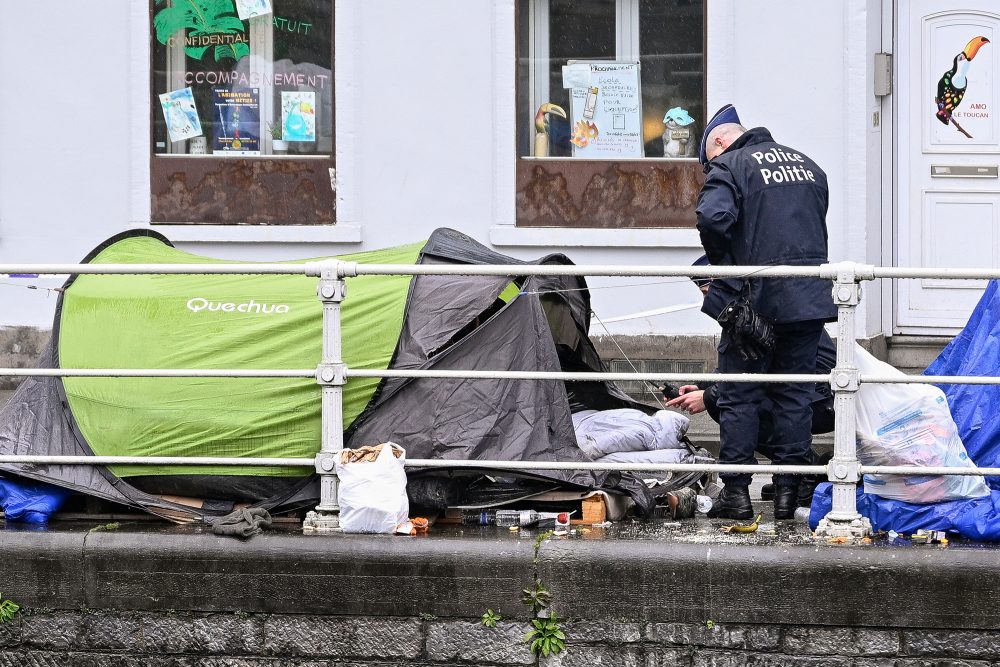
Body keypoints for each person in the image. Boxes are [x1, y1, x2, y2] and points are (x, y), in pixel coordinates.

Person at [692, 105, 837, 520]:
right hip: (808, 303)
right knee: (794, 395)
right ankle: (788, 496)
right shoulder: (809, 166)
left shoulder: (731, 165)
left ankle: (736, 494)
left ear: (718, 142)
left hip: (755, 303)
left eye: (709, 162)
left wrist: (725, 271)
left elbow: (713, 217)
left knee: (740, 394)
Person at [665, 257, 836, 507]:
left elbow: (755, 374)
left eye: (708, 291)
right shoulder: (758, 301)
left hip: (819, 398)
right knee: (727, 400)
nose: (708, 301)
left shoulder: (751, 309)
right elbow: (742, 364)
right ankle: (790, 474)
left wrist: (709, 396)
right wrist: (702, 386)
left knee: (729, 406)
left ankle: (803, 470)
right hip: (810, 393)